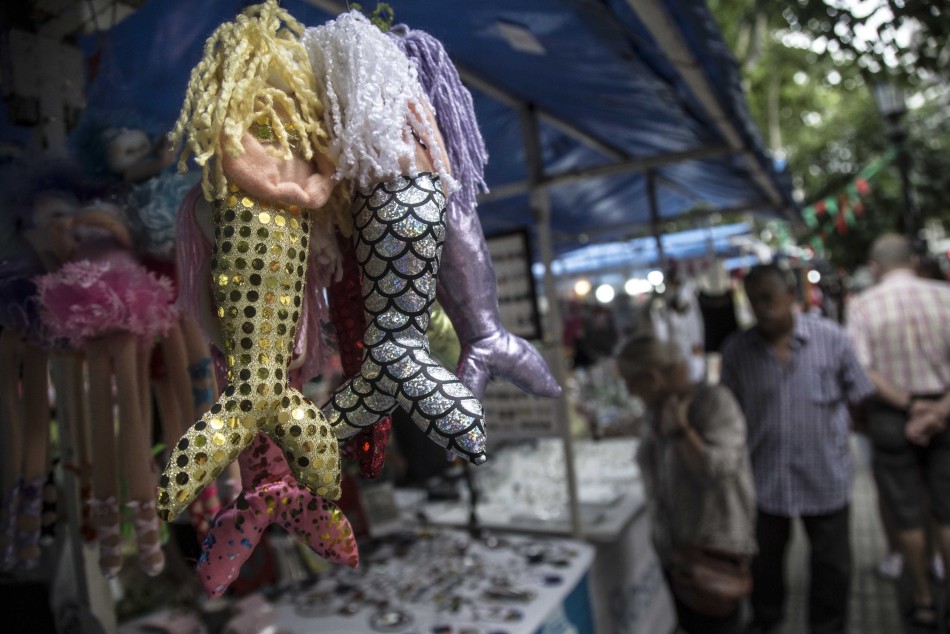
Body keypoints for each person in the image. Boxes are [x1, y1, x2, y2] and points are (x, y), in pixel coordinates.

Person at [720, 263, 875, 634]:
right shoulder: (737, 351)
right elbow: (729, 413)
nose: (762, 309)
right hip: (765, 481)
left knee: (831, 567)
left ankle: (828, 627)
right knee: (765, 566)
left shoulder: (831, 338)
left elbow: (860, 394)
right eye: (754, 301)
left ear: (790, 296)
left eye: (768, 298)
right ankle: (767, 620)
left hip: (825, 476)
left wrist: (839, 438)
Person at [845, 233, 950, 629]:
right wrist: (939, 409)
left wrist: (909, 405)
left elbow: (862, 369)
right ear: (914, 262)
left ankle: (923, 597)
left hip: (893, 416)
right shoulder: (944, 296)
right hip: (945, 412)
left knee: (906, 514)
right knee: (947, 510)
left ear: (875, 268)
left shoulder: (863, 305)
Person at [618, 334, 756, 634]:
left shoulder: (715, 402)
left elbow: (719, 469)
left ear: (652, 378)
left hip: (714, 550)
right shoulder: (655, 411)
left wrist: (682, 431)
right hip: (676, 549)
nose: (629, 391)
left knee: (719, 625)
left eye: (631, 382)